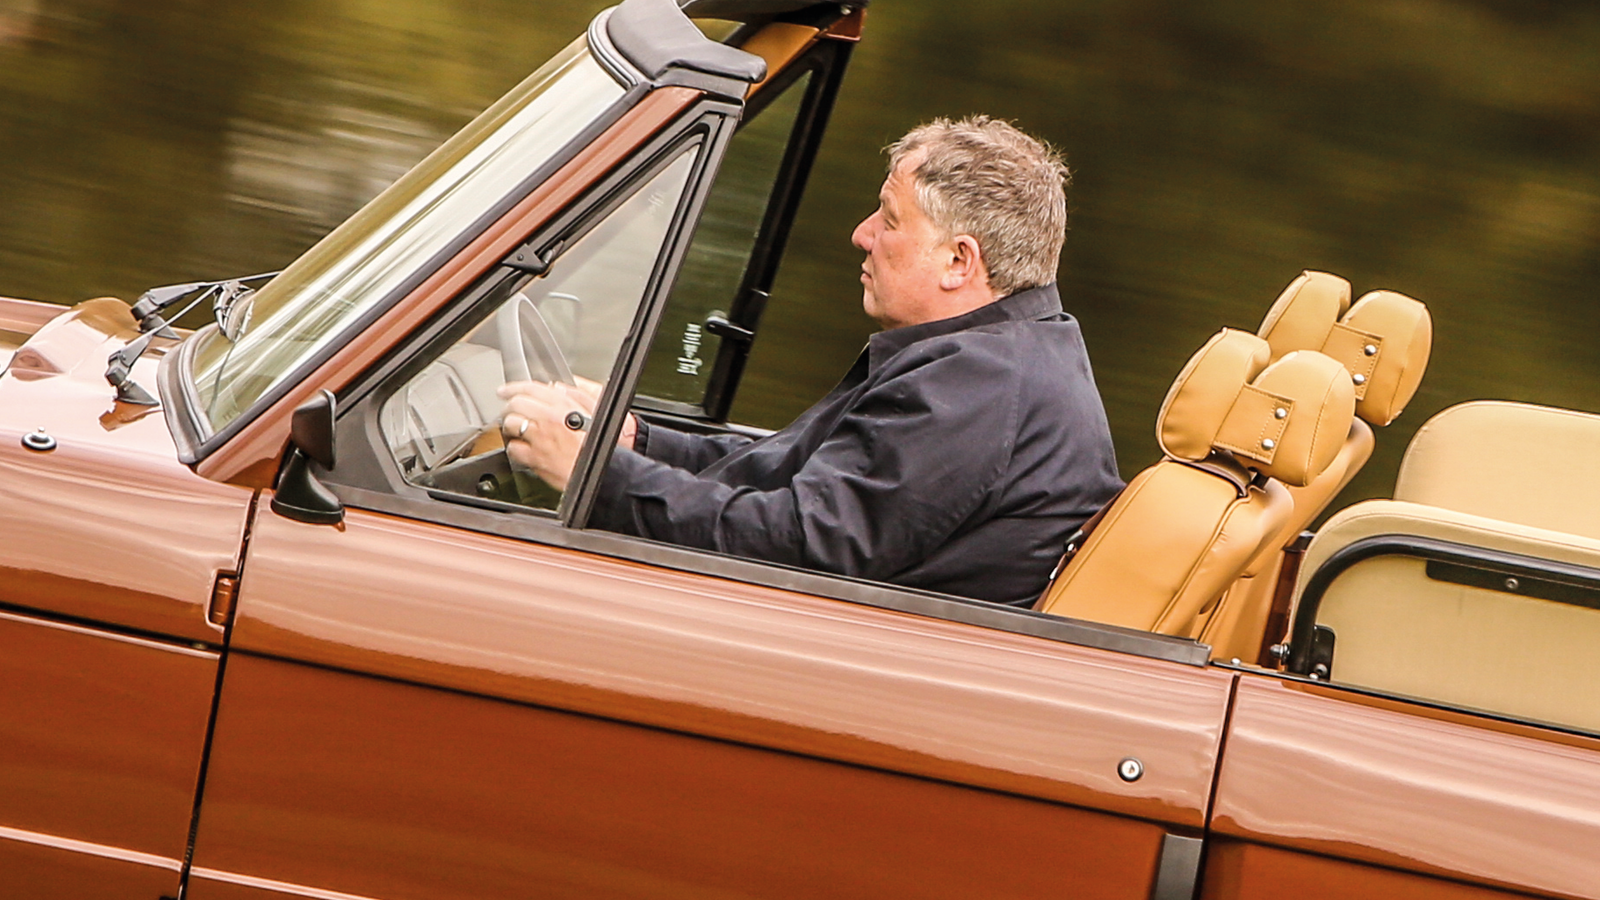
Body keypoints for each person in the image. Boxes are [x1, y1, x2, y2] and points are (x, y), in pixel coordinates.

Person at [499, 116, 1123, 606]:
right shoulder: (1001, 353)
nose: (862, 233)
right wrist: (637, 439)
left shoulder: (977, 385)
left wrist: (596, 474)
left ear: (960, 262)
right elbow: (798, 469)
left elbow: (801, 547)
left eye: (889, 218)